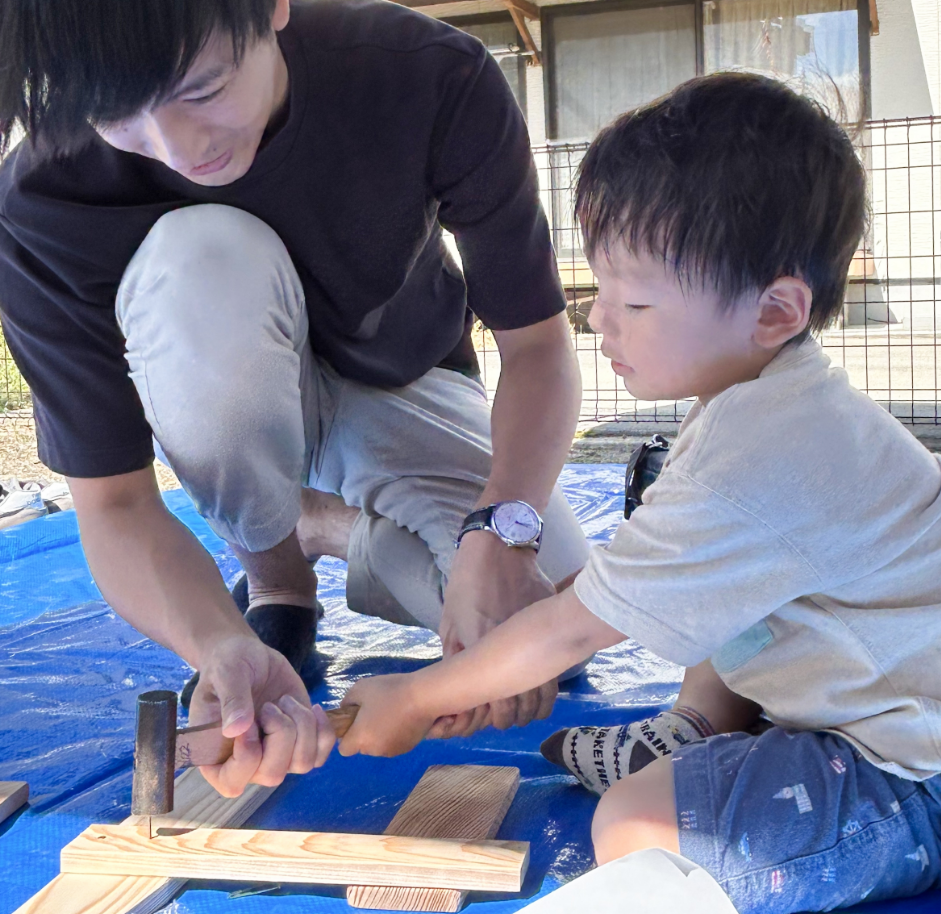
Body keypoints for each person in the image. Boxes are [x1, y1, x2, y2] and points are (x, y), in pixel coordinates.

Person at [337, 72, 941, 913]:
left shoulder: (768, 448)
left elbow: (584, 625)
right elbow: (626, 581)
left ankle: (706, 744)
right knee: (679, 529)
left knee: (638, 828)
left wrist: (418, 695)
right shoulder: (760, 404)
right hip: (913, 719)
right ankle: (704, 727)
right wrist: (509, 645)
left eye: (636, 300)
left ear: (774, 312)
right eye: (600, 291)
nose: (598, 320)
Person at [0, 0, 590, 798]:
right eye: (117, 115)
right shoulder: (41, 201)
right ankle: (276, 575)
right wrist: (216, 643)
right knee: (203, 256)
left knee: (556, 621)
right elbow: (113, 506)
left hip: (403, 384)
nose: (178, 149)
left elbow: (538, 347)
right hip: (231, 403)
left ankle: (325, 526)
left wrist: (504, 531)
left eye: (202, 89)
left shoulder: (423, 73)